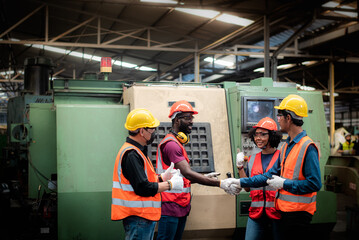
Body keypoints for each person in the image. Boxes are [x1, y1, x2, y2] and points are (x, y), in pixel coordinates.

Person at [227, 94, 322, 240]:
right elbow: (268, 176)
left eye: (280, 115)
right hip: (284, 212)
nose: (278, 119)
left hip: (299, 215)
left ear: (288, 118)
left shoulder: (307, 147)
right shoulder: (287, 147)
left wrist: (285, 183)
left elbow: (315, 183)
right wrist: (240, 181)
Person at [155, 100, 233, 240]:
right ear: (177, 120)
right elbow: (186, 173)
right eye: (187, 118)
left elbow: (182, 178)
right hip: (170, 205)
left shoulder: (177, 142)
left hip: (180, 205)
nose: (191, 122)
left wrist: (206, 177)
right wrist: (220, 184)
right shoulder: (171, 145)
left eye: (192, 118)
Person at [111, 108, 184, 240]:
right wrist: (170, 185)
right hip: (139, 218)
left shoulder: (136, 151)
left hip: (142, 217)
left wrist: (162, 178)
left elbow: (141, 180)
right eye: (151, 129)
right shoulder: (131, 154)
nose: (154, 133)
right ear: (141, 131)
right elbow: (143, 188)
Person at [236, 117, 283, 240]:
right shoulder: (251, 159)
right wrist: (240, 168)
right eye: (256, 134)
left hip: (277, 214)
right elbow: (246, 188)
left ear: (272, 136)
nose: (258, 138)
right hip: (256, 214)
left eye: (263, 134)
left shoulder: (282, 157)